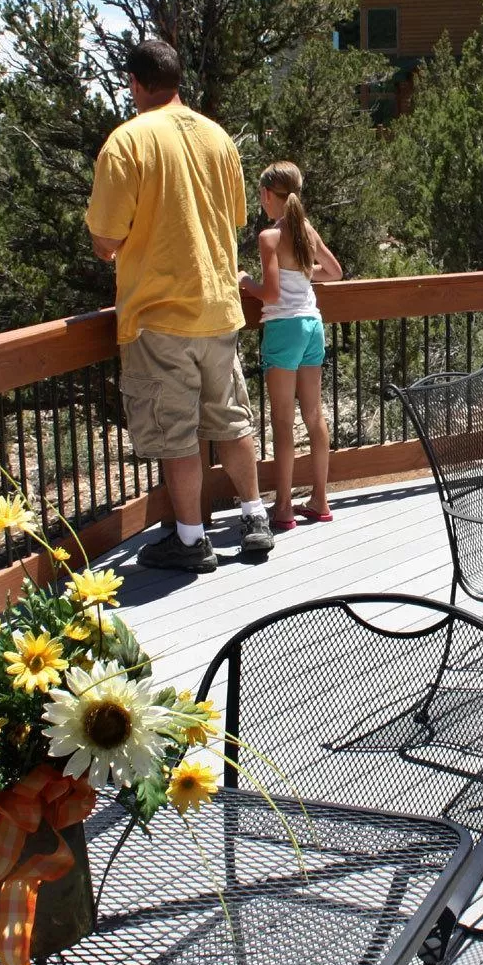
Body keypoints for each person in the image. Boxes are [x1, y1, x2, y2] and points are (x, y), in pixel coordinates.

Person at [85, 40, 274, 573]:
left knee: (177, 432)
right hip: (218, 308)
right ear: (177, 79)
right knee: (232, 419)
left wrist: (118, 248)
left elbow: (105, 236)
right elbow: (233, 218)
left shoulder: (128, 142)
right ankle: (254, 517)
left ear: (135, 83)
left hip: (159, 313)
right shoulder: (217, 138)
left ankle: (191, 541)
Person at [237, 162, 343, 531]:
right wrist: (307, 275)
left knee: (282, 422)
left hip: (284, 329)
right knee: (314, 415)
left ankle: (283, 508)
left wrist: (244, 280)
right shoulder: (306, 232)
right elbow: (335, 272)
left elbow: (270, 293)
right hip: (313, 326)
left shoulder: (270, 237)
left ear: (268, 194)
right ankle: (320, 499)